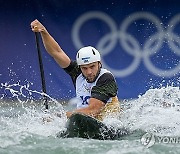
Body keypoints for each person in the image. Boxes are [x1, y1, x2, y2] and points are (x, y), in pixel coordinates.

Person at [31, 19, 120, 121]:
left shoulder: (106, 77)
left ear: (99, 64)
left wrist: (59, 117)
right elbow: (56, 52)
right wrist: (43, 31)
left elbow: (93, 111)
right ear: (80, 67)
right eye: (84, 68)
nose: (89, 72)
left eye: (92, 66)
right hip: (83, 120)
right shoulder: (77, 72)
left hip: (107, 125)